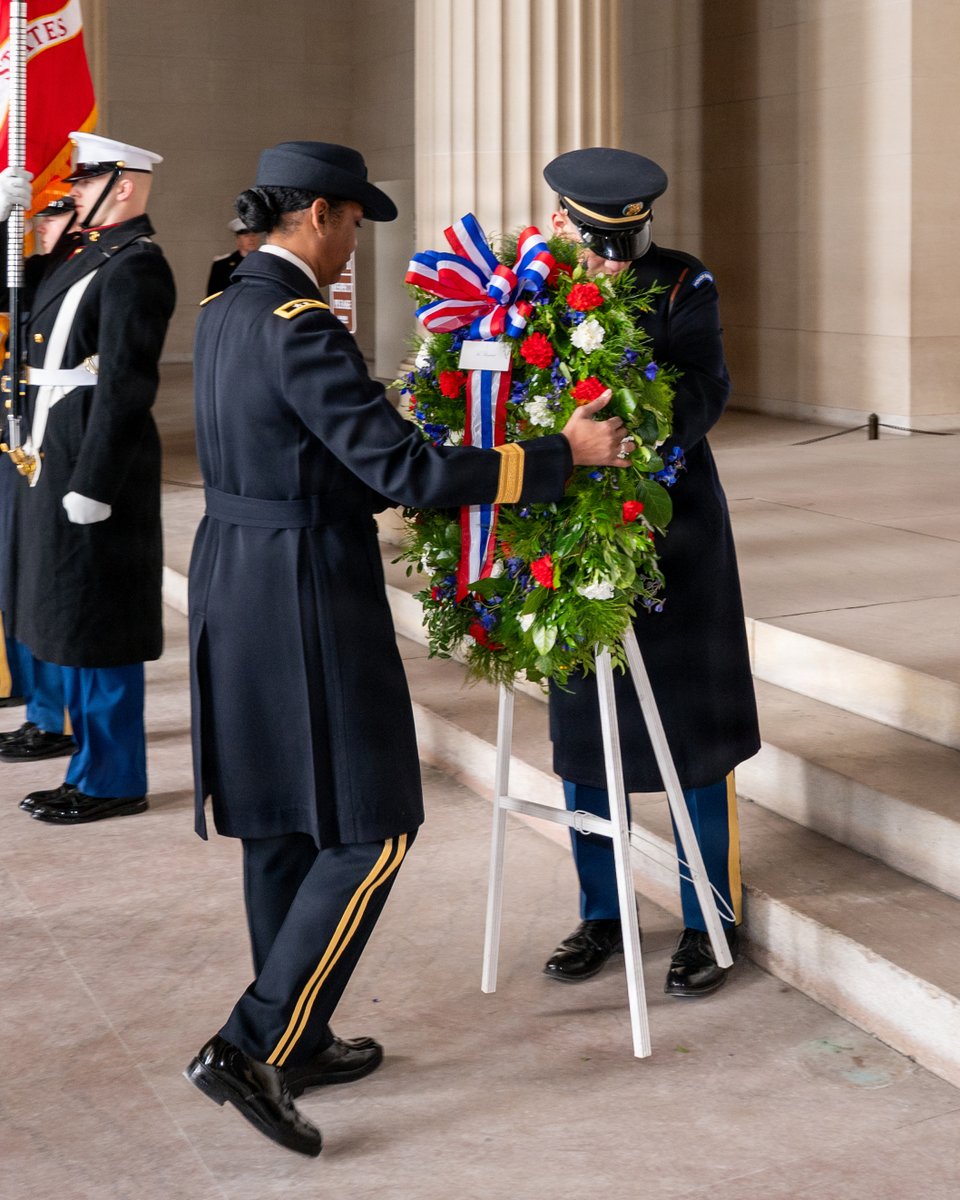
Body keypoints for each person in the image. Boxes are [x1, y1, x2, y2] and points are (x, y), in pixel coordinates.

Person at [183, 140, 634, 1157]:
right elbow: (406, 474)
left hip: (233, 579)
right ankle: (253, 1045)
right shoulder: (303, 326)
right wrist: (562, 453)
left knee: (280, 822)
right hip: (304, 590)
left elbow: (306, 448)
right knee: (373, 823)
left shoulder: (223, 311)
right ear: (318, 217)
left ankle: (296, 1037)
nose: (352, 249)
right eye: (351, 226)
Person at [539, 147, 761, 998]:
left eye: (618, 244)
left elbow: (708, 387)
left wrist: (633, 416)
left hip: (676, 533)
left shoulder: (680, 283)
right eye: (593, 241)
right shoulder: (530, 289)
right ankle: (602, 911)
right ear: (562, 219)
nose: (604, 259)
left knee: (695, 734)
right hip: (566, 532)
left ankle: (710, 919)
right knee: (584, 733)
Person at [0, 132, 176, 825]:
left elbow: (128, 386)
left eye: (84, 179)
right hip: (50, 449)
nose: (70, 191)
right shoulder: (79, 253)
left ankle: (111, 778)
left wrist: (96, 483)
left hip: (90, 462)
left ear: (123, 185)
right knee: (60, 609)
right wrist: (7, 223)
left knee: (98, 622)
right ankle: (75, 749)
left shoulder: (137, 266)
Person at [0, 194, 79, 755]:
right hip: (18, 440)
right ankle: (42, 711)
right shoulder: (32, 269)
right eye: (38, 218)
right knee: (20, 581)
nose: (42, 227)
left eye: (52, 216)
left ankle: (62, 718)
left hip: (56, 447)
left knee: (51, 587)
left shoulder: (94, 270)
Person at [205, 216, 259, 295]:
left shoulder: (266, 262)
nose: (251, 239)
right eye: (246, 236)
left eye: (253, 235)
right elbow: (213, 295)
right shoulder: (222, 264)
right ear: (238, 239)